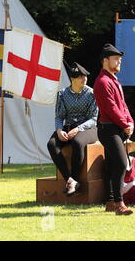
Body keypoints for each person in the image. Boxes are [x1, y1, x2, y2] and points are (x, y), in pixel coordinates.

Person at [93, 43, 135, 216]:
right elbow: (110, 108)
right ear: (105, 60)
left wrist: (129, 122)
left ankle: (110, 201)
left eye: (120, 59)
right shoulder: (102, 82)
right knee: (120, 162)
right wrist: (125, 124)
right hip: (108, 129)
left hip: (116, 128)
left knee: (112, 164)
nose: (119, 62)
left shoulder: (112, 80)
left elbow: (122, 105)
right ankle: (119, 203)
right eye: (115, 59)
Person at [47, 62, 98, 196]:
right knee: (52, 144)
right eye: (80, 77)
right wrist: (59, 130)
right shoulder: (62, 94)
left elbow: (94, 118)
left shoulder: (92, 93)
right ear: (72, 79)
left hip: (89, 128)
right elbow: (59, 116)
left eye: (85, 76)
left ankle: (74, 179)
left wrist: (78, 129)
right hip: (68, 127)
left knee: (77, 142)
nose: (84, 79)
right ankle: (69, 179)